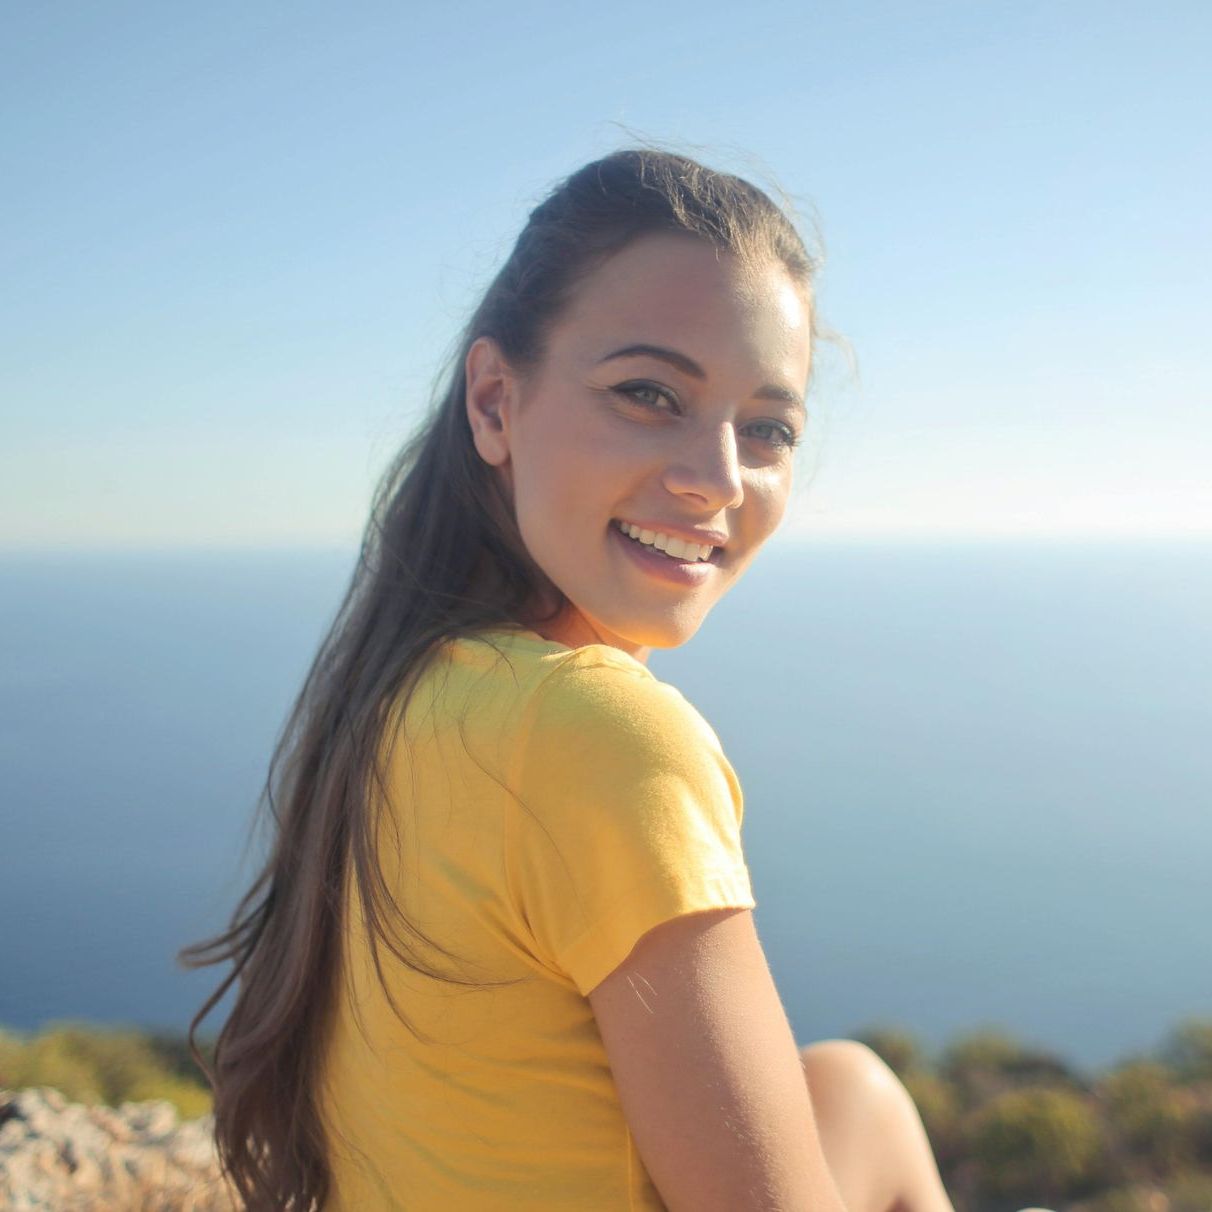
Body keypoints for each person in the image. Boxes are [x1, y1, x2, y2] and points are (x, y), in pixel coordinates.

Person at [183, 149, 957, 1211]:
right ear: (496, 401)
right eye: (649, 394)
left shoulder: (412, 688)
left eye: (767, 428)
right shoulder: (600, 734)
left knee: (856, 1091)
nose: (717, 479)